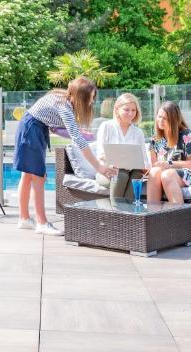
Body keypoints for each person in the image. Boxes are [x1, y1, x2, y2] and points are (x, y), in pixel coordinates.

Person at [14, 76, 116, 235]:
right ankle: (41, 223)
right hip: (32, 130)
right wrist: (99, 167)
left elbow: (56, 128)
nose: (91, 102)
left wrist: (81, 134)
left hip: (32, 127)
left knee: (28, 175)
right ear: (80, 96)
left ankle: (24, 219)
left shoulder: (62, 98)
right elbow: (78, 141)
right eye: (89, 99)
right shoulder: (64, 106)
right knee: (38, 177)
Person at [146, 101, 191, 205]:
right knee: (154, 172)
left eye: (165, 118)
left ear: (173, 120)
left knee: (167, 175)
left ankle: (178, 217)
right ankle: (152, 215)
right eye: (159, 117)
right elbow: (154, 166)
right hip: (167, 174)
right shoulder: (155, 139)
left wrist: (169, 164)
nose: (160, 121)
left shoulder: (186, 135)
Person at [94, 93, 148, 200]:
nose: (130, 113)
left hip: (132, 171)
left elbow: (144, 160)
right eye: (126, 110)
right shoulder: (106, 127)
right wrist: (110, 164)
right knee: (121, 175)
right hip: (108, 171)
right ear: (117, 109)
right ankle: (117, 213)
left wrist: (143, 167)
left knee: (136, 176)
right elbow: (100, 155)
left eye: (133, 110)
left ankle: (128, 214)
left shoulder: (138, 132)